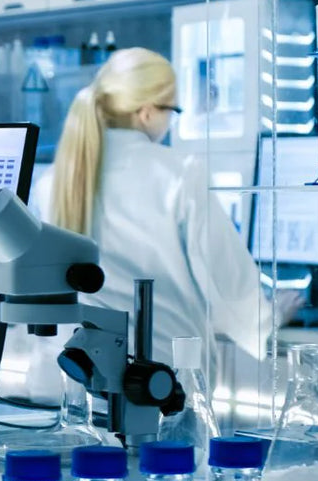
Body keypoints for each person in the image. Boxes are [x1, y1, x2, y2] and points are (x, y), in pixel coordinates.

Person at [46, 47, 297, 374]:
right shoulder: (180, 174)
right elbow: (223, 275)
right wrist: (269, 317)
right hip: (162, 379)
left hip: (72, 377)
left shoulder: (55, 180)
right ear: (147, 112)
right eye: (172, 110)